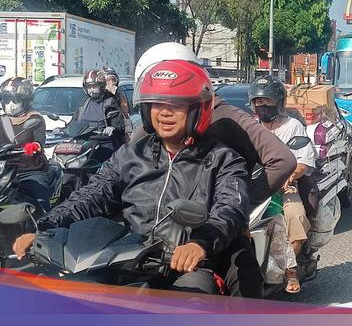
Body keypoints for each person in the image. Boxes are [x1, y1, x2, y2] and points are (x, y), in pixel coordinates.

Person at [13, 60, 263, 297]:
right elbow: (92, 195)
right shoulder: (132, 154)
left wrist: (201, 242)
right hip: (127, 258)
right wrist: (46, 229)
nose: (164, 112)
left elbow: (231, 207)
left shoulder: (223, 159)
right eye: (157, 103)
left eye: (175, 105)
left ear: (197, 108)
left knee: (194, 295)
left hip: (188, 265)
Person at [129, 42, 296, 213]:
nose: (164, 112)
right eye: (155, 102)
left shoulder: (230, 120)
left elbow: (283, 160)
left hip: (214, 228)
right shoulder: (152, 129)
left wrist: (237, 205)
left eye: (173, 101)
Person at [248, 75, 315, 294]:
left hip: (285, 189)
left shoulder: (293, 126)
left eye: (267, 102)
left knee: (295, 217)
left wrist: (288, 176)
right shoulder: (250, 128)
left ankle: (290, 271)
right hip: (255, 189)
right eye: (259, 102)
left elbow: (304, 160)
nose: (263, 107)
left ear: (278, 103)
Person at [0, 77, 52, 213]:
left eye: (15, 100)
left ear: (25, 100)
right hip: (5, 170)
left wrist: (34, 146)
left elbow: (39, 140)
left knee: (41, 199)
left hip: (29, 169)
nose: (10, 105)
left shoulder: (35, 119)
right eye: (6, 100)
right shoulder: (2, 120)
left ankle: (45, 227)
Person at [72, 69, 127, 156]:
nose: (91, 90)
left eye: (94, 87)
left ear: (101, 86)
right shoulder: (84, 103)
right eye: (89, 87)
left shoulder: (110, 102)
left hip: (104, 143)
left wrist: (112, 128)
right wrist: (63, 130)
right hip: (84, 142)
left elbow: (119, 124)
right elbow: (74, 122)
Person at [102, 67, 132, 141]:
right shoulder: (97, 97)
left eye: (113, 80)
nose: (111, 83)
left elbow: (125, 114)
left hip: (117, 132)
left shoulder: (119, 95)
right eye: (108, 80)